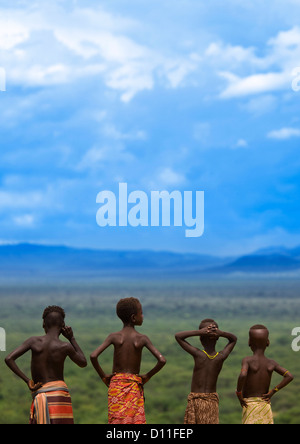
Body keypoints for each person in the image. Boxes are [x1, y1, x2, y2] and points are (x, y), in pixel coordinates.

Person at [5, 305, 87, 424]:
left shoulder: (33, 341)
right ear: (63, 325)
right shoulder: (65, 346)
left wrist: (28, 380)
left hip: (40, 394)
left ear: (44, 324)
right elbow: (83, 362)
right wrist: (72, 338)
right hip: (59, 396)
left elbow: (9, 359)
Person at [90, 297, 166, 424]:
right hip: (134, 386)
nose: (143, 315)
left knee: (116, 420)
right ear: (133, 317)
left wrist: (103, 377)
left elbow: (93, 356)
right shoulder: (142, 338)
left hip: (116, 386)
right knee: (135, 421)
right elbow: (162, 360)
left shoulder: (114, 337)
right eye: (141, 312)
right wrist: (147, 376)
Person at [175, 318, 237, 424]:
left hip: (196, 401)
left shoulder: (199, 355)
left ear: (200, 339)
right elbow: (234, 339)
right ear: (217, 338)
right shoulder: (220, 357)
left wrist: (200, 332)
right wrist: (221, 333)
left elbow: (178, 336)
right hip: (212, 403)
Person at [236, 324, 294, 424]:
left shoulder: (247, 360)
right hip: (265, 405)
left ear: (249, 342)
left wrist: (239, 393)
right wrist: (273, 391)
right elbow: (289, 376)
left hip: (250, 405)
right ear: (268, 342)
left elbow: (243, 375)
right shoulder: (271, 363)